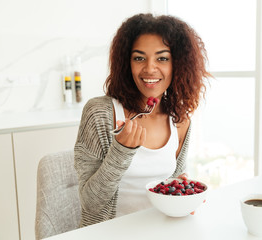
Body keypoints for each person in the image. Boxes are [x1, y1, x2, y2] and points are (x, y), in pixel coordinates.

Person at [74, 13, 210, 227]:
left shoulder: (180, 120)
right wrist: (120, 150)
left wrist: (182, 191)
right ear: (126, 63)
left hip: (162, 230)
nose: (149, 68)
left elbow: (172, 182)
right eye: (139, 58)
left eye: (162, 58)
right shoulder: (100, 112)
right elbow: (90, 204)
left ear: (178, 64)